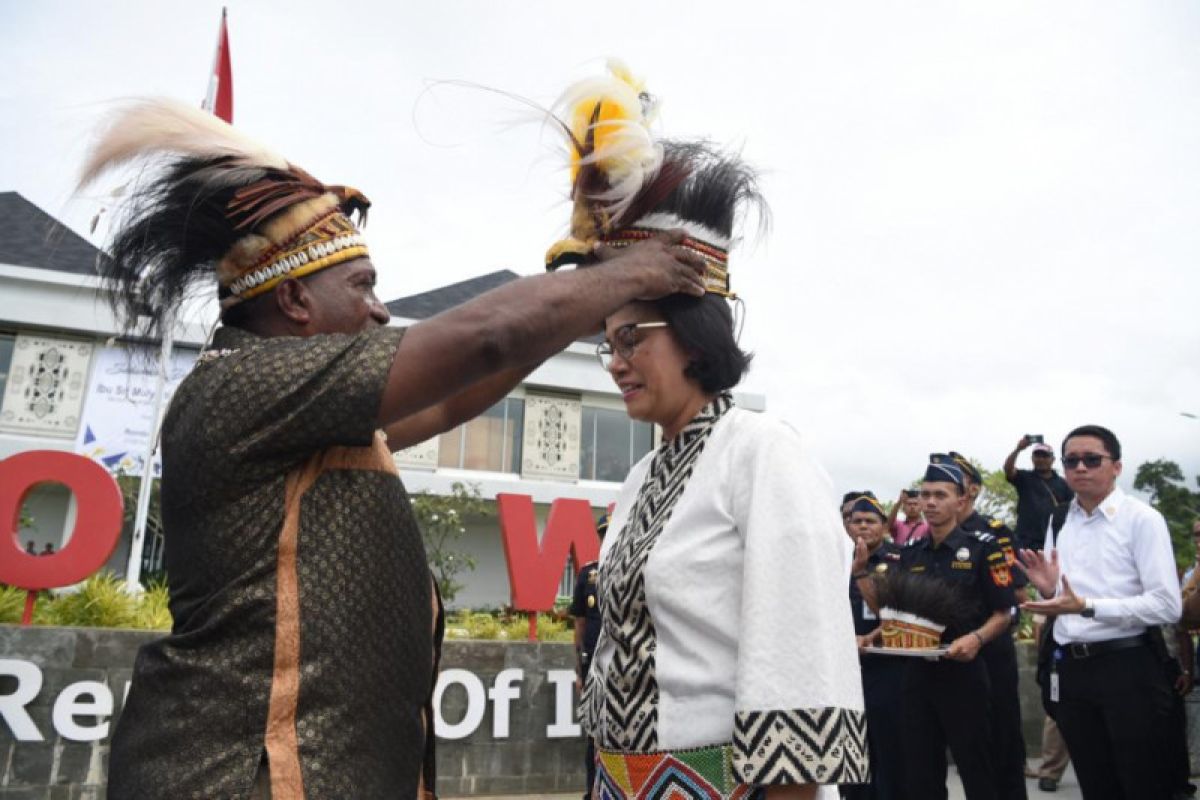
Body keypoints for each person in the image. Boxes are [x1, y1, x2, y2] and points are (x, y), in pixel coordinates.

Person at [78, 98, 705, 799]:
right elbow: (482, 338)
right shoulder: (243, 384)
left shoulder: (313, 418)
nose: (380, 310)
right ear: (293, 302)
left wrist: (580, 287)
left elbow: (451, 395)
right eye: (363, 287)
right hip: (236, 775)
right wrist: (625, 276)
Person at [568, 64, 867, 799]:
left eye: (631, 337)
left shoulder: (764, 453)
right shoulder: (641, 478)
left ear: (695, 334)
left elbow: (798, 653)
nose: (616, 362)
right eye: (607, 344)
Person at [1019, 424, 1182, 800]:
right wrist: (1048, 589)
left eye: (1092, 459)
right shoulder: (1059, 520)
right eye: (1071, 460)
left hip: (1128, 668)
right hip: (1071, 671)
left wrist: (1088, 607)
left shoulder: (1141, 519)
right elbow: (1062, 595)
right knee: (1095, 782)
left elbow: (1167, 605)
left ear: (1117, 467)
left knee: (1143, 783)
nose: (1080, 468)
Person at [894, 457, 1016, 800]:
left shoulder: (983, 548)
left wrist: (976, 638)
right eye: (926, 494)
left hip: (964, 673)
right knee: (920, 769)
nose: (930, 502)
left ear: (961, 501)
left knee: (977, 766)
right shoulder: (911, 552)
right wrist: (861, 573)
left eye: (940, 495)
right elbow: (897, 614)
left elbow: (1004, 612)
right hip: (918, 673)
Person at [947, 451, 1027, 800]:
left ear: (972, 491)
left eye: (956, 478)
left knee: (1002, 741)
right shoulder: (926, 538)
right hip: (948, 656)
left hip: (990, 652)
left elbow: (1016, 595)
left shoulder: (994, 533)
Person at [843, 493, 908, 800]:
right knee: (853, 746)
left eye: (870, 522)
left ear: (884, 526)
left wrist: (871, 637)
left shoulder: (898, 560)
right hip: (845, 669)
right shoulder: (837, 559)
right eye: (857, 521)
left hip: (886, 666)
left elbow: (902, 615)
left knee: (888, 747)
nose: (862, 527)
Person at [570, 512, 609, 800]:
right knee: (592, 733)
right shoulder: (588, 572)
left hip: (622, 667)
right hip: (592, 664)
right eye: (604, 533)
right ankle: (591, 791)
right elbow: (580, 623)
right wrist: (578, 671)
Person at [1003, 438, 1073, 552]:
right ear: (1032, 459)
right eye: (1037, 456)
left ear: (1053, 459)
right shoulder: (1024, 477)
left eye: (1045, 456)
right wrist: (1018, 449)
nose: (1040, 459)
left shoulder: (1064, 484)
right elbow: (1008, 470)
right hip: (1025, 541)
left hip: (1053, 541)